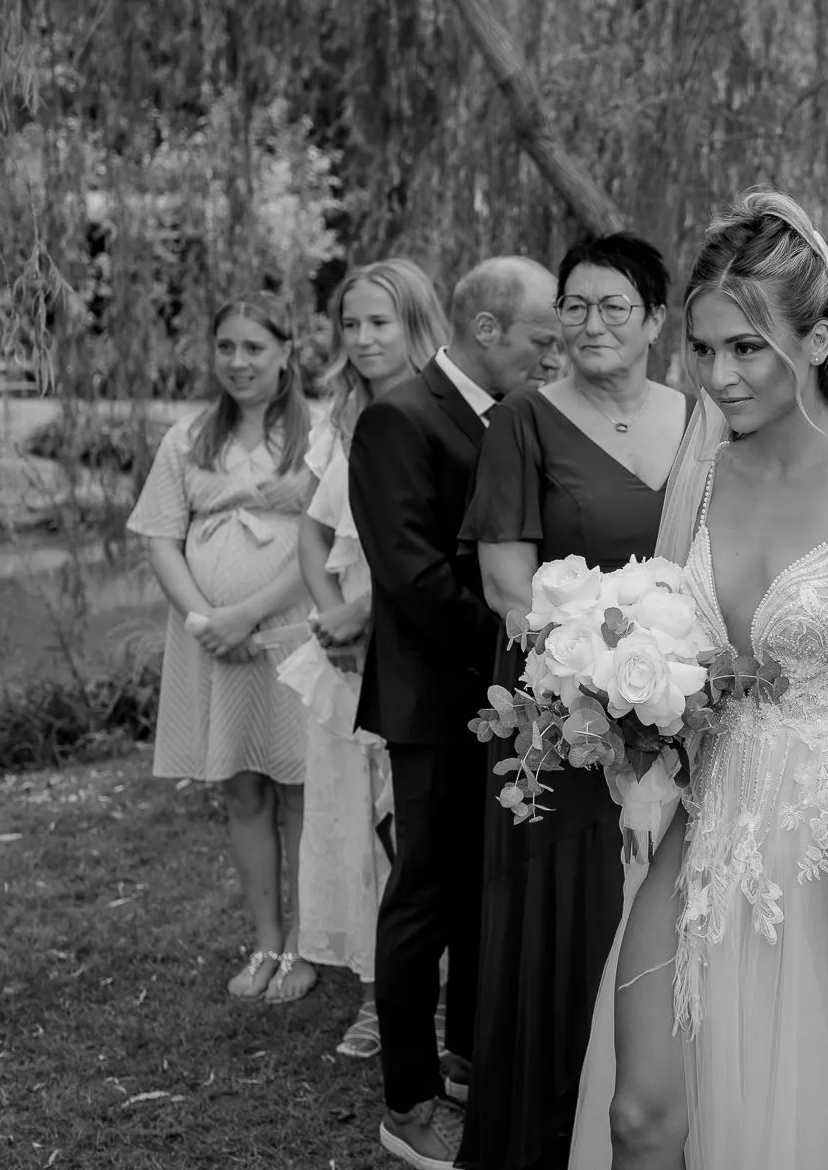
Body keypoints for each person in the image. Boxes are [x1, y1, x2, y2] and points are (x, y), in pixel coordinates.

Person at [564, 189, 828, 1169]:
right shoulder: (700, 477)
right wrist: (619, 706)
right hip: (703, 817)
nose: (720, 375)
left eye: (747, 348)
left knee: (803, 1129)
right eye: (702, 349)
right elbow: (671, 647)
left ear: (816, 342)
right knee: (639, 1117)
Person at [458, 234, 689, 1170]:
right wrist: (590, 674)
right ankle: (546, 1138)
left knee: (661, 913)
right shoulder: (524, 419)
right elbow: (505, 581)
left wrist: (672, 680)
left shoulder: (700, 417)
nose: (592, 324)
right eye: (576, 305)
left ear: (656, 320)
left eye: (615, 306)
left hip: (676, 717)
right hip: (560, 725)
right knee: (570, 919)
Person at [352, 257, 564, 1170]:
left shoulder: (516, 416)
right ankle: (408, 1099)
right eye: (541, 337)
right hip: (437, 702)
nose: (552, 353)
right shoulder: (398, 418)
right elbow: (414, 575)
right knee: (425, 895)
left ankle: (472, 1061)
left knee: (489, 884)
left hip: (502, 699)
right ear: (485, 329)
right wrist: (522, 646)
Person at [127, 293, 316, 1001]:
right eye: (226, 346)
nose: (238, 361)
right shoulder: (188, 436)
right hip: (211, 640)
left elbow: (331, 540)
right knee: (242, 786)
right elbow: (159, 537)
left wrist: (248, 615)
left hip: (289, 630)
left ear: (285, 353)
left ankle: (304, 945)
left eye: (254, 347)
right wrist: (206, 619)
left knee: (298, 785)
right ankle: (264, 939)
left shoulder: (319, 433)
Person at [288, 260, 449, 1059]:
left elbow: (440, 552)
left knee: (410, 823)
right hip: (346, 646)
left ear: (415, 323)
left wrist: (368, 616)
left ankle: (437, 990)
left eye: (379, 322)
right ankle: (376, 989)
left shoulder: (443, 416)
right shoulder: (343, 419)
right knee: (355, 812)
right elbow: (313, 530)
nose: (362, 338)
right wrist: (331, 617)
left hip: (410, 632)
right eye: (350, 324)